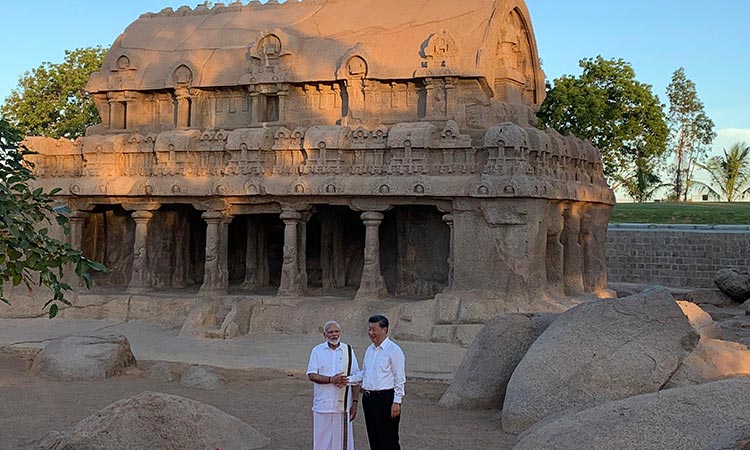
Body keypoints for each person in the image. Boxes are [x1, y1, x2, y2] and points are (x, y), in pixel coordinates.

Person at [350, 315, 406, 450]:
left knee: (388, 438)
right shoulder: (370, 350)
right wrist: (347, 380)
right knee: (373, 436)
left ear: (384, 330)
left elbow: (399, 377)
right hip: (369, 399)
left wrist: (396, 401)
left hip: (385, 398)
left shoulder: (394, 350)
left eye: (374, 330)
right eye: (369, 329)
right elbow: (365, 372)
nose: (371, 333)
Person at [307, 320, 360, 450]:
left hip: (342, 406)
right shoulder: (317, 351)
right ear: (325, 335)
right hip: (323, 405)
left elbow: (356, 378)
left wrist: (354, 402)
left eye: (336, 331)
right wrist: (332, 379)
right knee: (322, 442)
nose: (334, 335)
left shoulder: (347, 350)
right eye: (330, 332)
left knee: (342, 443)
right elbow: (311, 375)